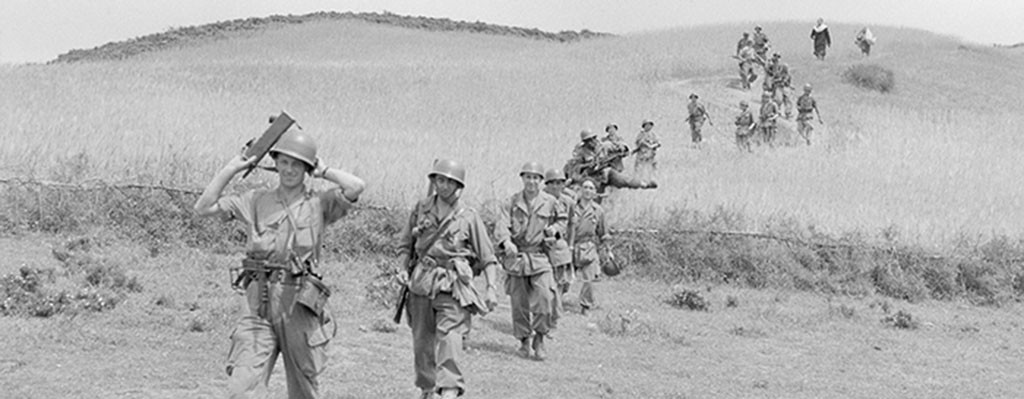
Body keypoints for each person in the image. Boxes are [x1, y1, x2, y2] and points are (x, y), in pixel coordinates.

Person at [193, 127, 366, 399]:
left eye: (297, 164)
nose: (288, 169)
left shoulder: (320, 204)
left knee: (303, 387)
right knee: (242, 387)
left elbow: (355, 186)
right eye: (283, 162)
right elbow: (203, 208)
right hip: (257, 301)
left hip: (298, 302)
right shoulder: (255, 200)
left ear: (307, 168)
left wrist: (324, 170)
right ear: (275, 164)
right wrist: (231, 168)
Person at [397, 159, 500, 399]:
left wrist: (492, 288)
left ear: (459, 185)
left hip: (453, 285)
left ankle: (450, 390)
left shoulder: (469, 216)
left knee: (451, 337)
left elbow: (488, 257)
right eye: (439, 180)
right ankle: (427, 387)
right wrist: (403, 268)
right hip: (422, 282)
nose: (443, 186)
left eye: (449, 182)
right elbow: (405, 245)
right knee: (422, 342)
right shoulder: (421, 208)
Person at [493, 162, 567, 361]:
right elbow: (501, 225)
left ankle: (540, 338)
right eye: (528, 177)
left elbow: (562, 220)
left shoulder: (550, 201)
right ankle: (524, 341)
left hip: (540, 258)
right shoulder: (511, 202)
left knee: (545, 298)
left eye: (536, 178)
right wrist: (506, 241)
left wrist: (555, 231)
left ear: (541, 181)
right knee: (519, 304)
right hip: (517, 259)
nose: (532, 181)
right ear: (522, 178)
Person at [564, 129, 656, 195]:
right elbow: (576, 167)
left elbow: (621, 147)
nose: (592, 141)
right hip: (593, 178)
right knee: (592, 195)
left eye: (593, 138)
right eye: (589, 140)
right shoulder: (581, 152)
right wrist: (588, 165)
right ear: (585, 142)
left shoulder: (603, 145)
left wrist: (622, 148)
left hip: (606, 172)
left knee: (624, 180)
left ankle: (644, 184)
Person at [542, 168, 576, 330]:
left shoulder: (568, 202)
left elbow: (571, 224)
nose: (556, 186)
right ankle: (544, 317)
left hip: (560, 248)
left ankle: (554, 317)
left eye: (560, 183)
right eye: (553, 183)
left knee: (560, 285)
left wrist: (570, 244)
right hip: (541, 247)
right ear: (547, 184)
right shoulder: (539, 198)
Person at [569, 179, 608, 315]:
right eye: (585, 187)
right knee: (563, 280)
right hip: (571, 246)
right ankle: (552, 302)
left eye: (591, 188)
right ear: (580, 189)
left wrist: (607, 250)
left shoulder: (598, 211)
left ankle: (585, 306)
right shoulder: (572, 207)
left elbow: (603, 233)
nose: (587, 190)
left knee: (589, 280)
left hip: (588, 247)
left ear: (595, 192)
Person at [768, 53, 793, 119]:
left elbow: (788, 82)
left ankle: (788, 113)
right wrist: (777, 82)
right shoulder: (778, 74)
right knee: (778, 100)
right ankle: (777, 111)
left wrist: (787, 84)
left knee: (788, 101)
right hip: (779, 88)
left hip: (785, 88)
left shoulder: (788, 75)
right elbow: (773, 80)